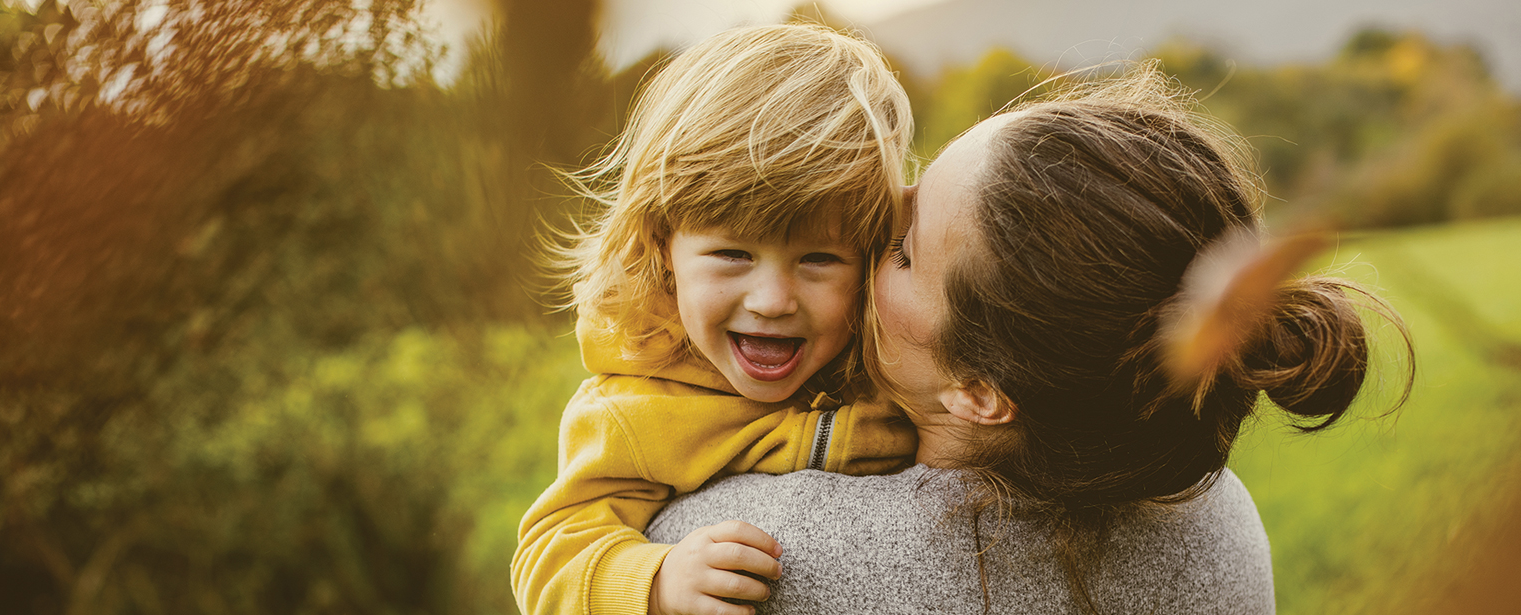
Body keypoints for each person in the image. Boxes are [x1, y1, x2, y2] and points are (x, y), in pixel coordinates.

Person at [647, 62, 1414, 614]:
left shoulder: (748, 548)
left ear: (978, 391)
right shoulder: (1213, 513)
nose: (878, 210)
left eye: (905, 249)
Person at [510, 24, 920, 615]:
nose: (773, 300)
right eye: (734, 254)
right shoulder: (637, 408)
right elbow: (550, 554)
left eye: (819, 259)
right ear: (662, 248)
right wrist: (657, 582)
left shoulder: (892, 355)